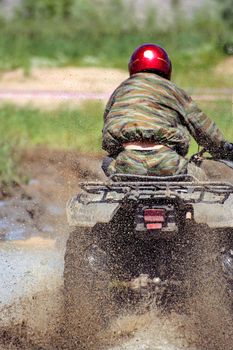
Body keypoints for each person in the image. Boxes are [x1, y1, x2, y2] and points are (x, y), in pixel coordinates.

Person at [101, 43, 233, 179]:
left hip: (126, 165)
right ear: (167, 67)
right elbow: (204, 130)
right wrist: (225, 150)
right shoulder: (173, 90)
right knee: (200, 176)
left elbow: (108, 127)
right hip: (169, 164)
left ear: (132, 66)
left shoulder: (120, 90)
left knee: (107, 162)